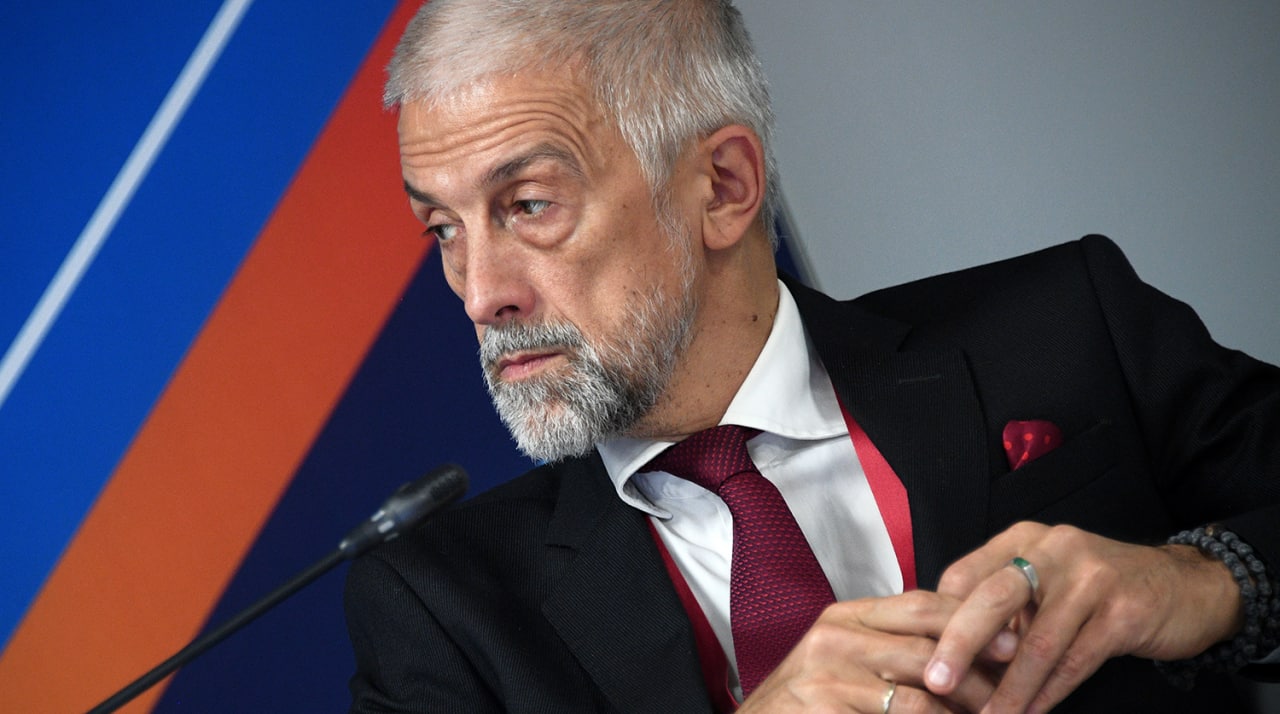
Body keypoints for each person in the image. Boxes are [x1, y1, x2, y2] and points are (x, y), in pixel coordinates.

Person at [344, 0, 1280, 711]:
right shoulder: (443, 608)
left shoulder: (1066, 325)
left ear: (724, 186)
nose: (479, 292)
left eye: (528, 205)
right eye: (443, 227)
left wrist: (1203, 584)